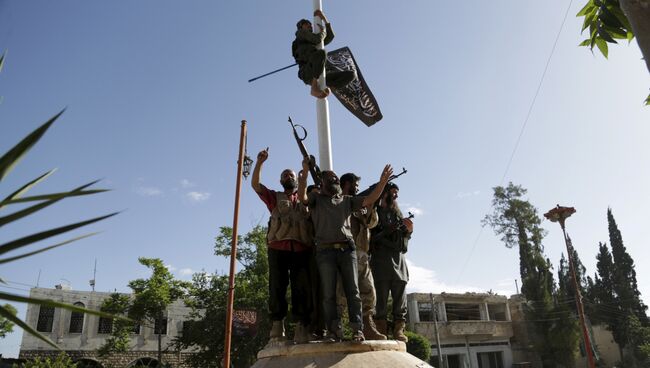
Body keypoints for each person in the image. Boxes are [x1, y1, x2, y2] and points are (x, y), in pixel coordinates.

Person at [297, 160, 392, 341]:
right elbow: (303, 198)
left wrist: (383, 182)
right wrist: (303, 174)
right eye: (330, 177)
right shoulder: (316, 199)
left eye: (336, 177)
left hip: (348, 251)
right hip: (325, 252)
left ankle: (358, 330)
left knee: (353, 292)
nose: (334, 179)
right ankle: (334, 331)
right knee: (329, 295)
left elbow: (370, 199)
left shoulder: (347, 201)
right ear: (322, 182)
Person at [251, 148, 313, 344]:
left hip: (302, 249)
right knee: (277, 287)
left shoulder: (307, 197)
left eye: (291, 174)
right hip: (278, 248)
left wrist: (306, 170)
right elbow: (255, 185)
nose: (288, 176)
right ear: (280, 181)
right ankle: (277, 325)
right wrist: (259, 163)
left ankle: (301, 327)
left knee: (300, 288)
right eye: (285, 174)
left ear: (297, 178)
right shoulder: (275, 197)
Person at [335, 173, 386, 340]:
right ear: (347, 184)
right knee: (341, 291)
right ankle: (337, 328)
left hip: (362, 252)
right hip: (343, 251)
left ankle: (367, 326)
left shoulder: (361, 203)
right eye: (355, 184)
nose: (357, 188)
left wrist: (370, 206)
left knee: (368, 290)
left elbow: (372, 223)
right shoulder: (338, 201)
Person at [370, 182, 413, 342]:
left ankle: (398, 330)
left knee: (400, 300)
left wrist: (408, 232)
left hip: (399, 263)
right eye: (392, 192)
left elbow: (403, 246)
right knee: (380, 300)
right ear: (384, 193)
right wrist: (383, 234)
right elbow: (370, 238)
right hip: (381, 263)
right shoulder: (375, 212)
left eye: (397, 193)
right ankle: (380, 329)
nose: (395, 196)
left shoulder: (398, 214)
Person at [292, 10, 355, 99]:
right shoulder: (300, 34)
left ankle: (329, 88)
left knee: (351, 75)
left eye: (310, 24)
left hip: (319, 71)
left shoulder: (311, 40)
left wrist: (324, 18)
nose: (310, 25)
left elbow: (330, 37)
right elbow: (317, 39)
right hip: (307, 71)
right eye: (306, 24)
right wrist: (323, 32)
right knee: (321, 53)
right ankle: (314, 88)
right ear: (300, 27)